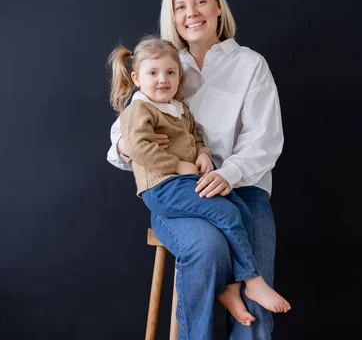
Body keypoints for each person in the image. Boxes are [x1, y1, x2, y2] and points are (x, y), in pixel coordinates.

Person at [107, 0, 286, 340]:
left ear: (218, 10)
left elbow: (265, 142)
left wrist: (225, 175)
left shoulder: (250, 65)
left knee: (255, 303)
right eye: (182, 6)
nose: (193, 13)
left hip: (241, 188)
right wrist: (131, 147)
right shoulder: (160, 62)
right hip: (177, 195)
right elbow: (120, 142)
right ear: (173, 15)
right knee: (206, 246)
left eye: (202, 3)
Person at [108, 35, 290, 322]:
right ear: (137, 77)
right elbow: (133, 144)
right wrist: (176, 164)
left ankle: (231, 288)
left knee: (240, 211)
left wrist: (204, 154)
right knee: (224, 220)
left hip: (216, 180)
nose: (163, 79)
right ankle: (252, 282)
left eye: (170, 73)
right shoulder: (141, 105)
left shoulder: (181, 104)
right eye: (153, 73)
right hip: (167, 186)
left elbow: (196, 137)